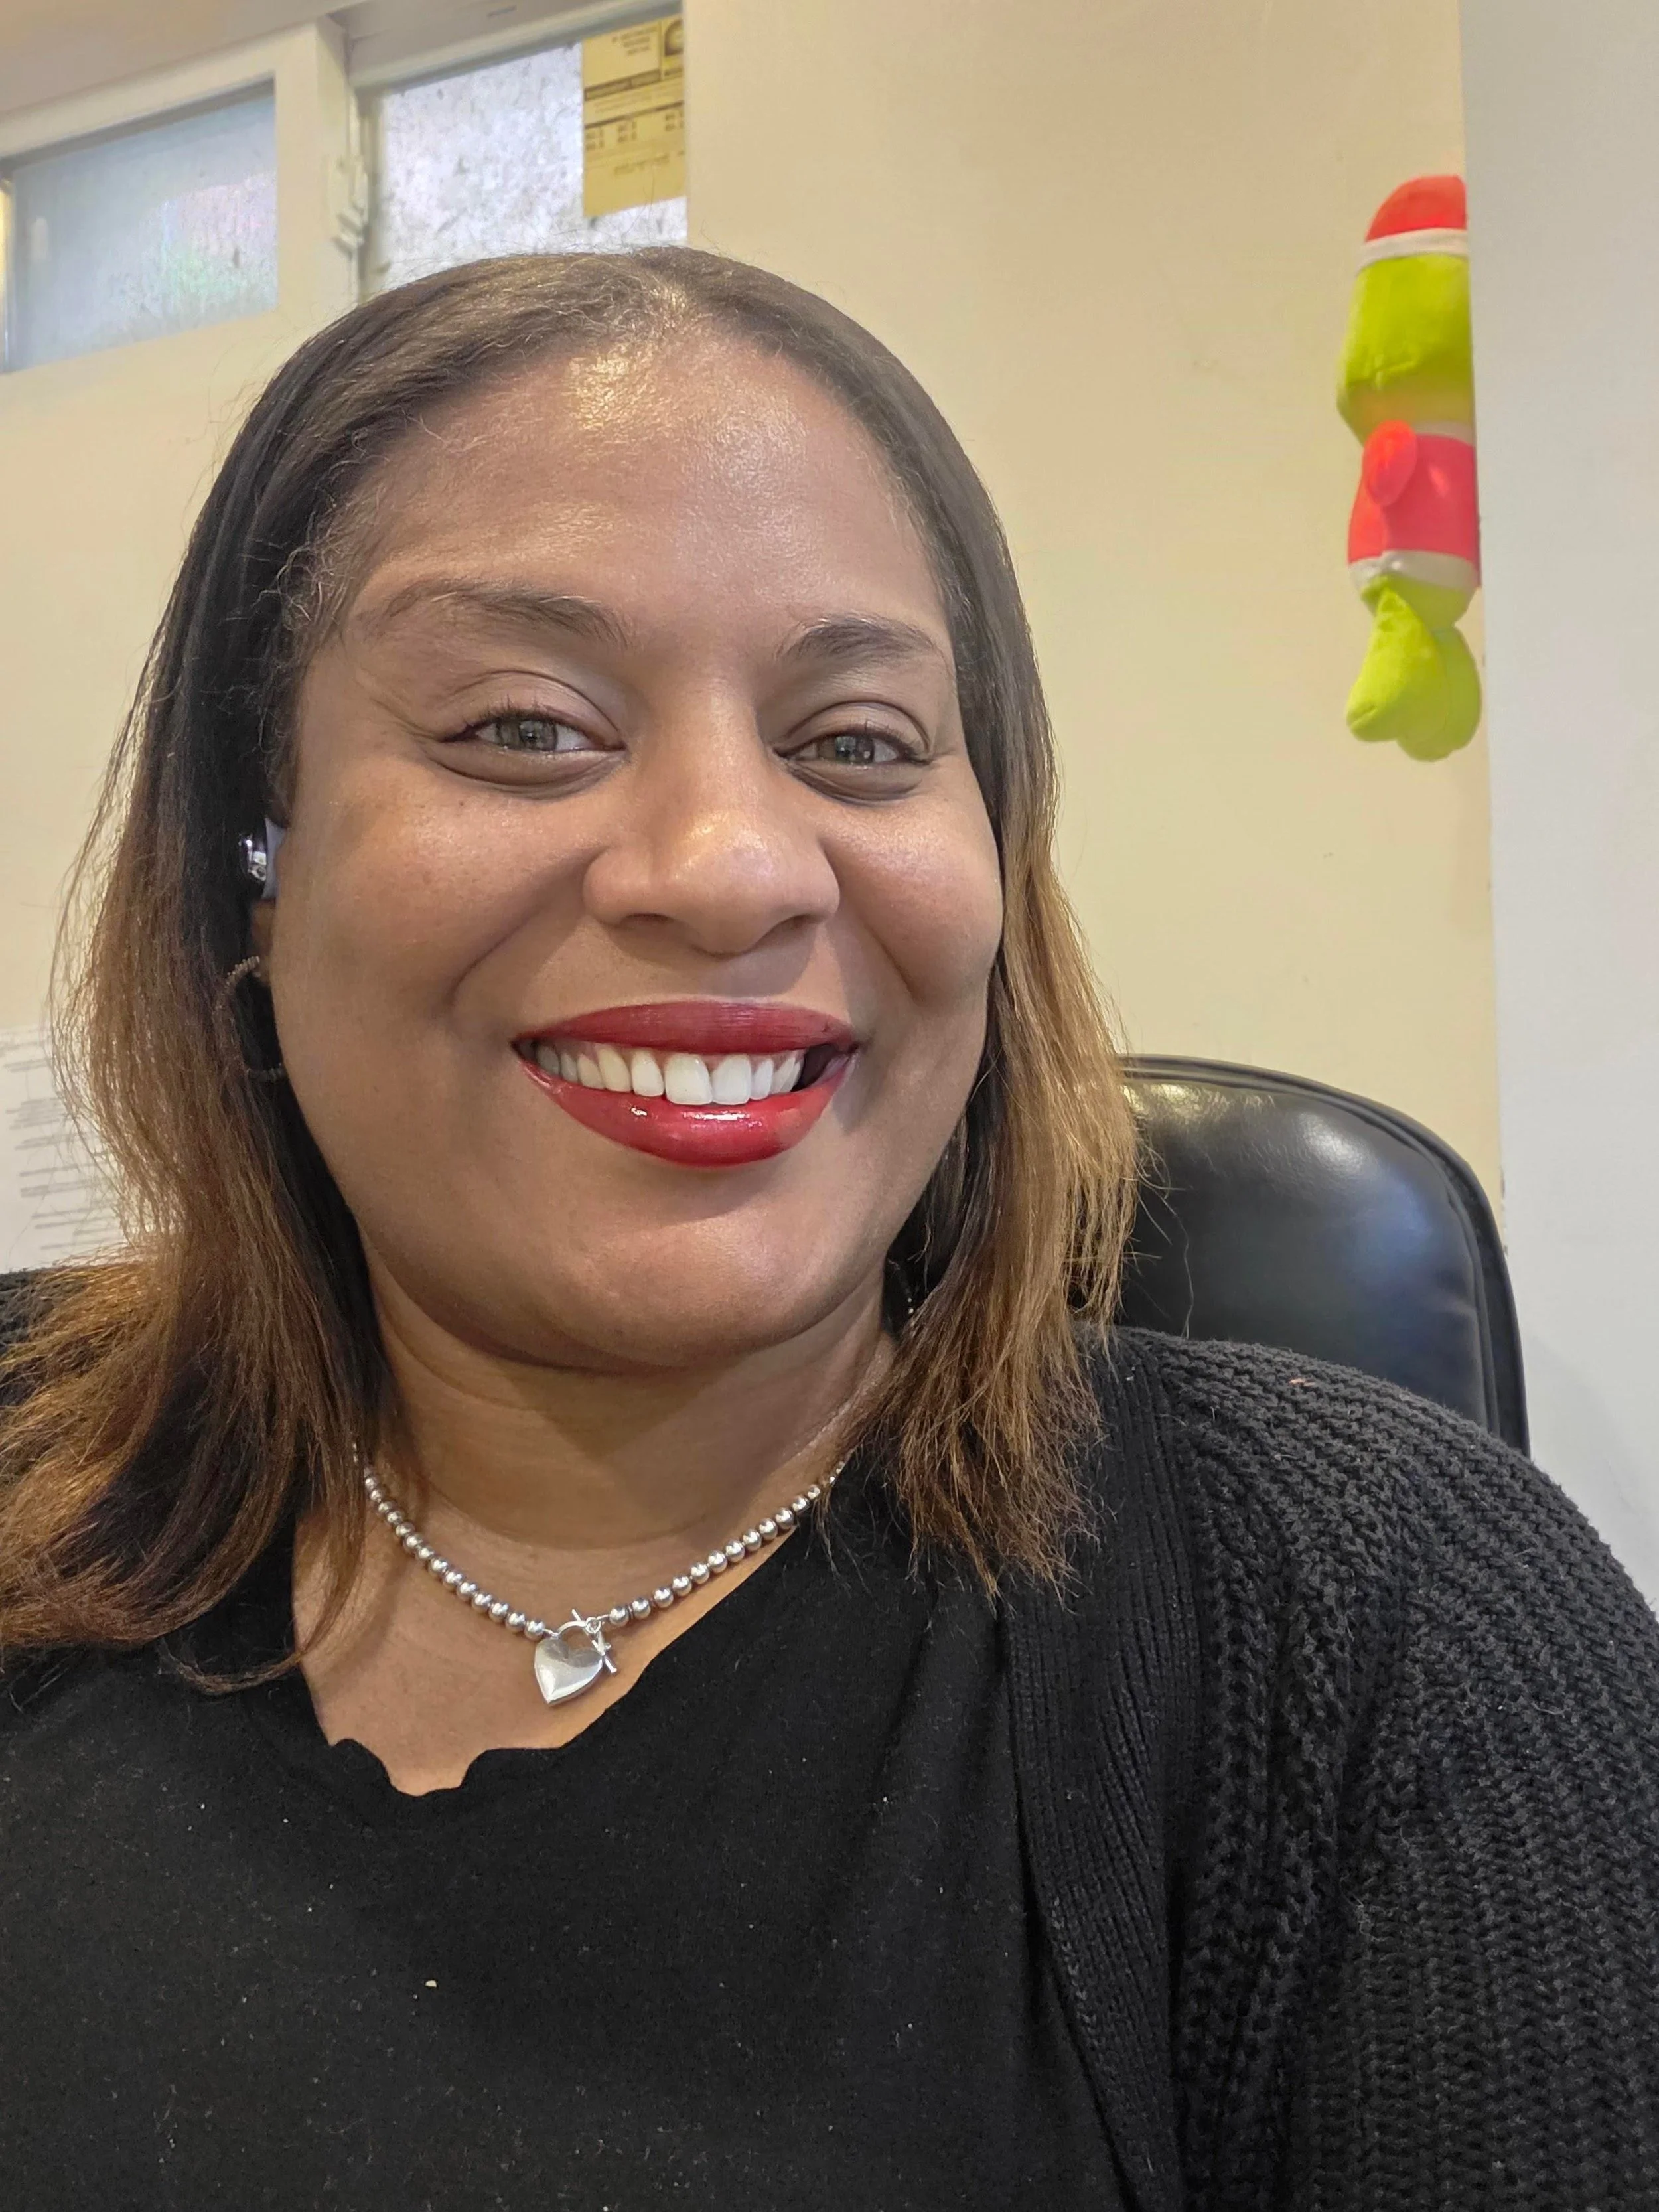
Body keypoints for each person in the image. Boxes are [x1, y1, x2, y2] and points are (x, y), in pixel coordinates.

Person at [1, 248, 1655, 2212]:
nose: (727, 867)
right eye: (527, 724)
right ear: (250, 867)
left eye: (859, 740)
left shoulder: (1378, 1623)